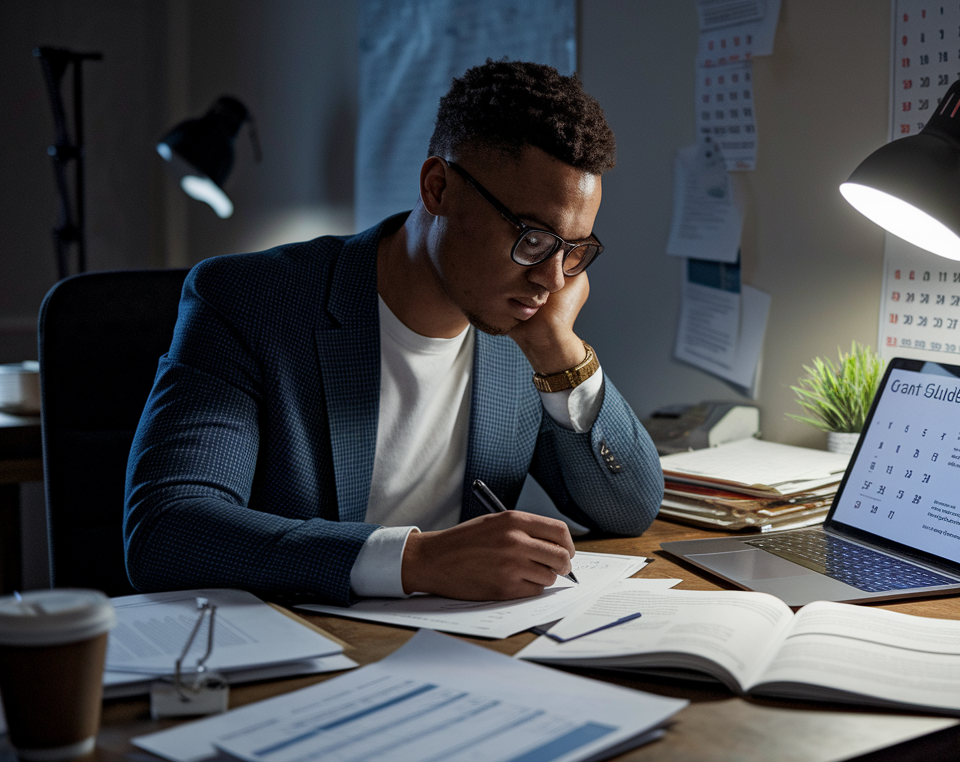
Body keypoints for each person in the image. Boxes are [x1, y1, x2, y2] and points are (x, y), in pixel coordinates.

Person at [124, 60, 662, 607]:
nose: (551, 279)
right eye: (531, 237)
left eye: (574, 250)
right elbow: (166, 531)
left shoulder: (525, 327)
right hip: (293, 651)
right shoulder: (248, 301)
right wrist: (416, 561)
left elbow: (629, 508)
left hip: (458, 654)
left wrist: (559, 350)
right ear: (438, 188)